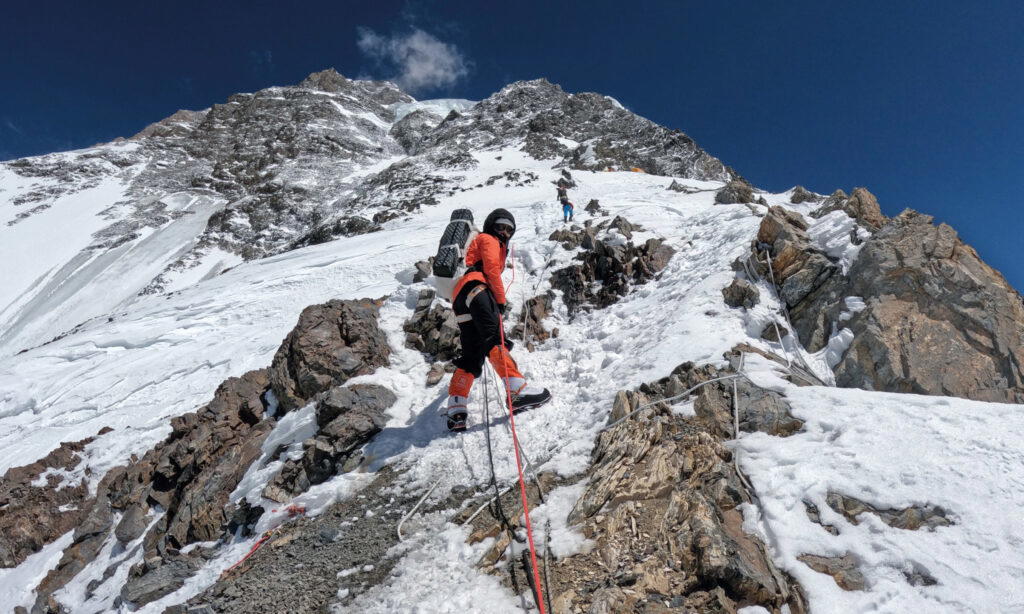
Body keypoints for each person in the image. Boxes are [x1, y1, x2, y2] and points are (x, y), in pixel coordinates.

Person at [445, 208, 552, 431]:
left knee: (472, 354)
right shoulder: (488, 238)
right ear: (491, 225)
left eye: (509, 229)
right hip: (477, 288)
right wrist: (500, 301)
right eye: (500, 226)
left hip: (461, 297)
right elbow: (492, 269)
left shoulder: (486, 240)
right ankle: (516, 392)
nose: (504, 231)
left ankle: (456, 408)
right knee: (495, 338)